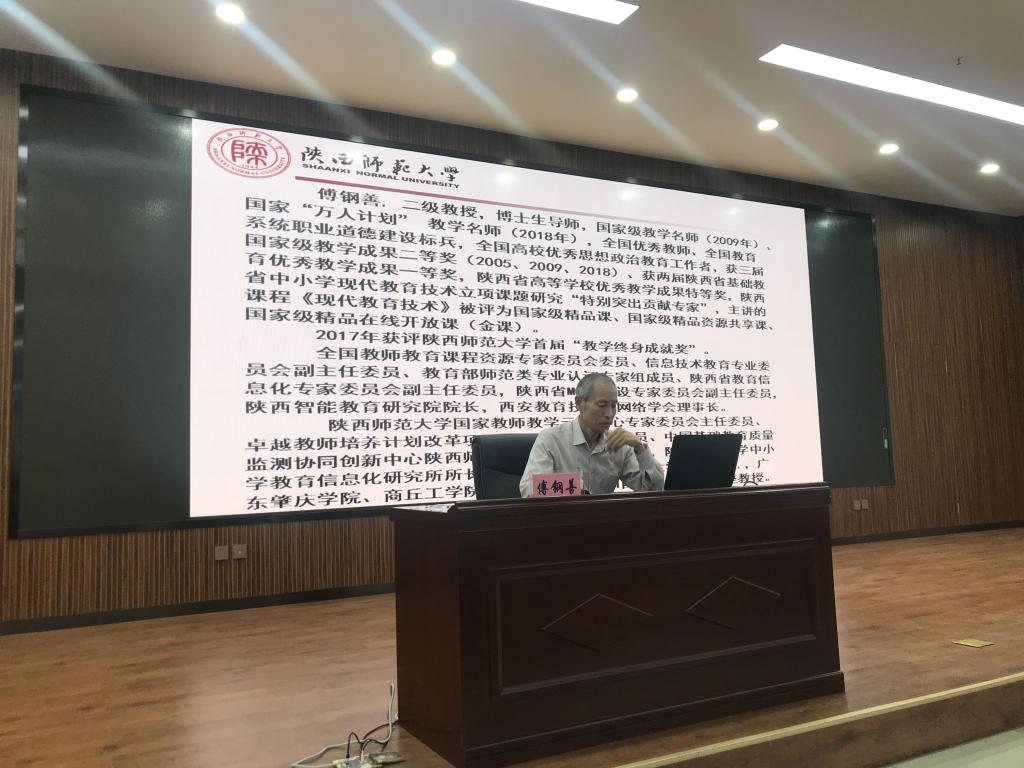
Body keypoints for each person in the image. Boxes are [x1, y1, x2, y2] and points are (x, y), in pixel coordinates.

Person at [519, 373, 665, 497]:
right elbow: (529, 489)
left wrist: (640, 449)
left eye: (614, 406)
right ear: (579, 403)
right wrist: (576, 487)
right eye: (602, 405)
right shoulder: (551, 439)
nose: (609, 414)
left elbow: (654, 490)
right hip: (561, 518)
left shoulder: (618, 445)